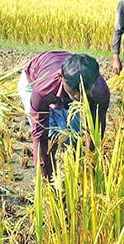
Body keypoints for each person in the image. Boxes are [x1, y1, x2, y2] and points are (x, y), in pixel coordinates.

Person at [17, 51, 110, 179]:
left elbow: (96, 132)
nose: (80, 98)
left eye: (85, 93)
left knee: (72, 135)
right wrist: (46, 181)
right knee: (50, 137)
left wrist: (91, 166)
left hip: (62, 89)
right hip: (33, 82)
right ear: (61, 78)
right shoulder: (42, 90)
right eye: (76, 92)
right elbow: (39, 136)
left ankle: (75, 174)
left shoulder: (99, 91)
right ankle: (51, 178)